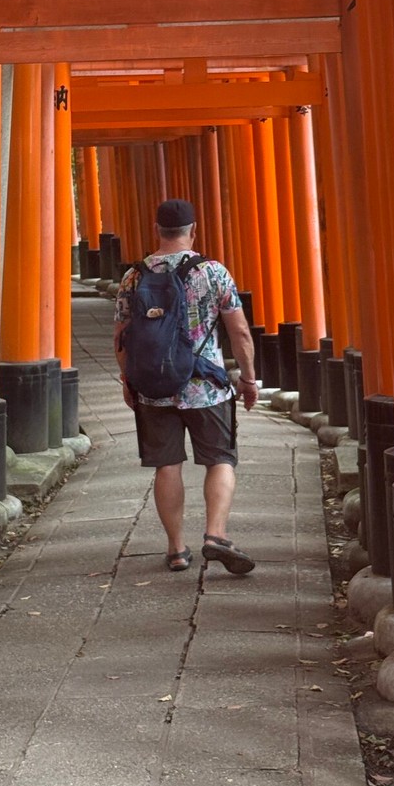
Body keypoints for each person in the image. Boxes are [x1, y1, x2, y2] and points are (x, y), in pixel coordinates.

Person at [113, 198, 259, 575]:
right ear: (193, 230)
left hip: (154, 388)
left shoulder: (134, 276)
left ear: (158, 230)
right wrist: (247, 378)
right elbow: (239, 331)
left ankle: (177, 550)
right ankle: (216, 534)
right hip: (205, 386)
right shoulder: (213, 273)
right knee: (220, 459)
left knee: (167, 465)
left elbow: (121, 336)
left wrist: (129, 380)